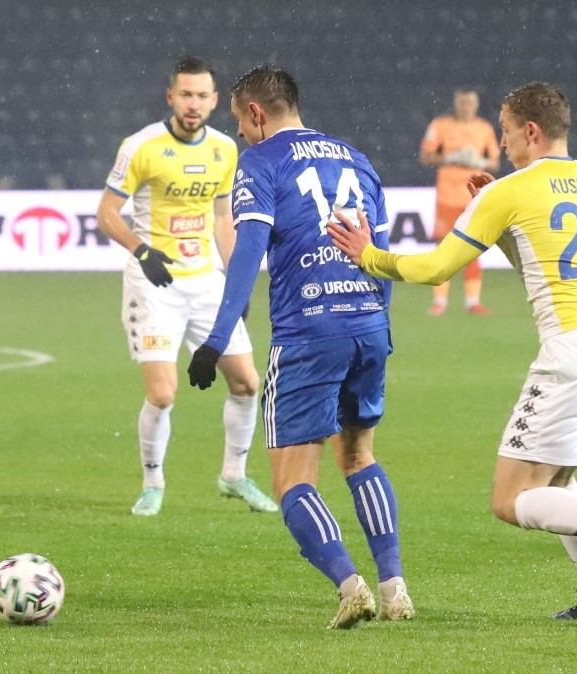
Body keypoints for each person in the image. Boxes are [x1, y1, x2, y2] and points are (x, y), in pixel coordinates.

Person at [329, 81, 577, 620]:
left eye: (508, 132)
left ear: (530, 131)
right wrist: (508, 226)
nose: (504, 144)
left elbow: (435, 268)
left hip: (575, 355)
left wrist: (368, 255)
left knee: (511, 499)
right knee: (557, 478)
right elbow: (549, 263)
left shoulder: (508, 190)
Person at [186, 64, 414, 629]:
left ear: (257, 114)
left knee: (292, 480)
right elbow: (379, 252)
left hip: (307, 332)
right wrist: (377, 324)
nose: (239, 132)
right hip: (367, 323)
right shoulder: (356, 159)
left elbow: (246, 252)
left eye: (239, 120)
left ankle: (350, 584)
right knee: (359, 455)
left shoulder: (259, 162)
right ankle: (395, 587)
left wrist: (217, 340)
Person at [96, 56, 277, 517]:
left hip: (206, 283)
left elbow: (222, 218)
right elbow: (106, 213)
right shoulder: (142, 146)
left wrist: (236, 280)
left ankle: (233, 476)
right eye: (185, 94)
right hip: (153, 282)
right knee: (163, 393)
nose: (193, 103)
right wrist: (141, 250)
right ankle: (152, 483)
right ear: (170, 97)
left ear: (215, 101)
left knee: (246, 381)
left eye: (202, 96)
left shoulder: (223, 148)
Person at [419, 89, 501, 316]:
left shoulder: (484, 128)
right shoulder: (441, 125)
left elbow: (494, 162)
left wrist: (480, 161)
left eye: (470, 102)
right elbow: (425, 156)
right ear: (456, 104)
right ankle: (440, 302)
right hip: (447, 196)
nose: (466, 106)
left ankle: (473, 302)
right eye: (462, 102)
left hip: (473, 197)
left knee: (473, 248)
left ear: (475, 105)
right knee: (445, 248)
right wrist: (450, 158)